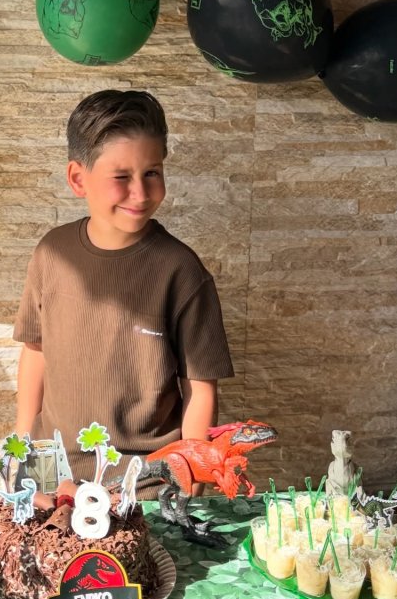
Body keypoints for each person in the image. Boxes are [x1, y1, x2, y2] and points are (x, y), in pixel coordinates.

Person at [13, 88, 234, 495]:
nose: (141, 193)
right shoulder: (51, 253)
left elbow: (200, 388)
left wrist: (189, 482)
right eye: (121, 177)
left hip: (146, 483)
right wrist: (24, 451)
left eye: (152, 172)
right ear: (78, 178)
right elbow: (35, 351)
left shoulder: (181, 271)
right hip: (53, 476)